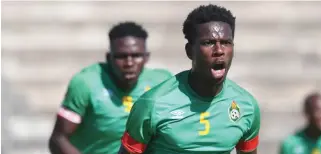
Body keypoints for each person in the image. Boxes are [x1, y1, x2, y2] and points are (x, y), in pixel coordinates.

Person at [118, 4, 260, 154]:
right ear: (189, 51)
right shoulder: (153, 104)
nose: (219, 51)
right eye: (208, 43)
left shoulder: (247, 106)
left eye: (226, 43)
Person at [48, 22, 172, 154]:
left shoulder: (162, 83)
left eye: (136, 56)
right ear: (108, 57)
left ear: (146, 57)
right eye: (121, 56)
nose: (129, 63)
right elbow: (58, 139)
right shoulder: (86, 83)